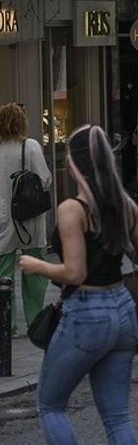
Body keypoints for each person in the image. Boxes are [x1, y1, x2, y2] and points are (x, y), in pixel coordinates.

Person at [19, 125, 138, 445]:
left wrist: (36, 266)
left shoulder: (73, 209)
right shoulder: (124, 204)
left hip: (87, 312)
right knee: (117, 415)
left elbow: (74, 273)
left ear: (75, 161)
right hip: (123, 311)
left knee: (50, 404)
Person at [0, 103, 52, 336]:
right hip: (29, 217)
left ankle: (6, 324)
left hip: (2, 217)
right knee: (36, 270)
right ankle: (34, 320)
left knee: (3, 273)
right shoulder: (29, 146)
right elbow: (44, 179)